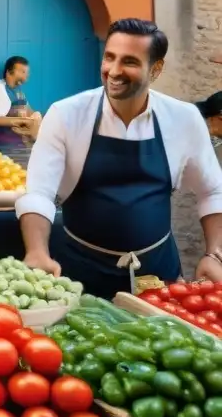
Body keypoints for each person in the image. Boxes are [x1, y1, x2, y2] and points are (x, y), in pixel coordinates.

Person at [17, 18, 222, 299]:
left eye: (129, 61)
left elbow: (212, 190)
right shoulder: (66, 114)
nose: (113, 71)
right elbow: (39, 193)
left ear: (156, 68)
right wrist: (37, 251)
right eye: (109, 57)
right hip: (78, 274)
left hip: (157, 274)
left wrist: (215, 254)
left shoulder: (184, 119)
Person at [0, 56, 41, 167]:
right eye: (22, 71)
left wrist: (36, 117)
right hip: (7, 149)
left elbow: (28, 111)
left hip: (24, 148)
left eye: (27, 72)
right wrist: (21, 121)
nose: (26, 75)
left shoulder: (18, 91)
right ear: (9, 72)